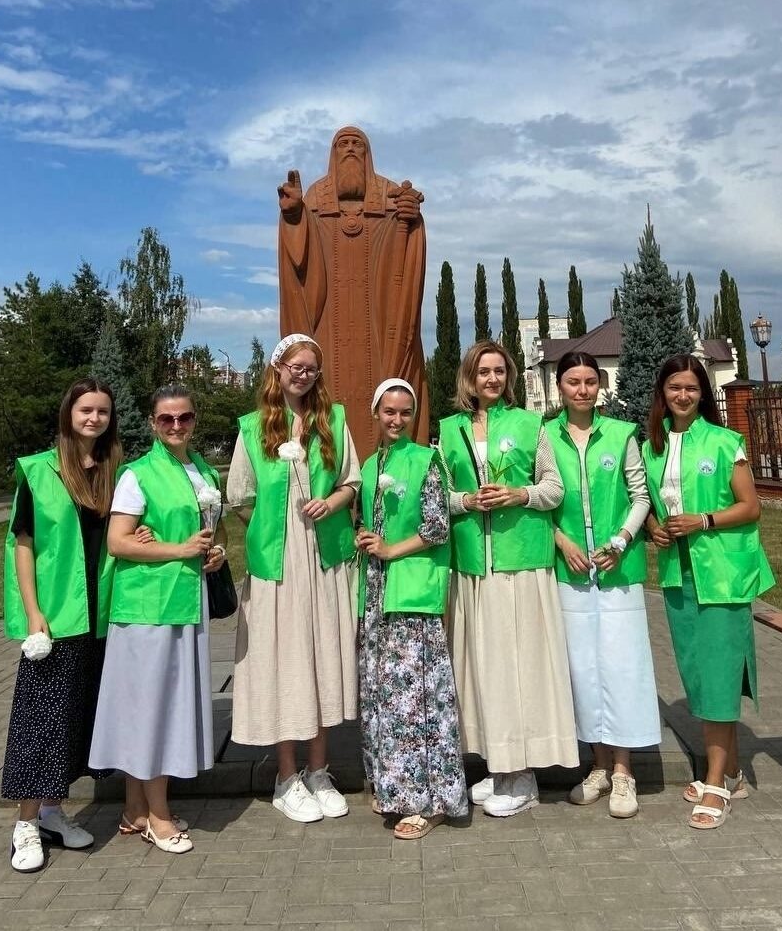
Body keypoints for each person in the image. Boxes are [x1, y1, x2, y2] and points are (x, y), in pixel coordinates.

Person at [438, 340, 579, 818]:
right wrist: (466, 501)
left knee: (520, 669)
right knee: (485, 669)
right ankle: (500, 765)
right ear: (469, 378)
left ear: (510, 376)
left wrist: (519, 494)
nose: (492, 379)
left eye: (499, 371)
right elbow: (439, 496)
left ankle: (522, 775)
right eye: (483, 372)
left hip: (521, 562)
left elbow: (554, 489)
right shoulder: (450, 429)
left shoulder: (529, 424)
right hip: (473, 566)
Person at [228, 334, 360, 823]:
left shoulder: (334, 419)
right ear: (277, 369)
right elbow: (240, 496)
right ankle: (286, 777)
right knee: (285, 661)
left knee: (320, 657)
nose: (302, 374)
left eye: (311, 368)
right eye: (295, 366)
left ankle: (319, 770)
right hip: (278, 564)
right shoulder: (252, 427)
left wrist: (331, 502)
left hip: (324, 556)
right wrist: (271, 528)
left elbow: (351, 481)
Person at [89, 384, 226, 854]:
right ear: (152, 423)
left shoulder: (203, 469)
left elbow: (205, 533)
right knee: (153, 710)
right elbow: (118, 542)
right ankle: (159, 816)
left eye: (184, 417)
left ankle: (134, 809)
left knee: (151, 707)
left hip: (184, 602)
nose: (175, 426)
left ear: (194, 420)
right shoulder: (138, 474)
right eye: (166, 418)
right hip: (148, 609)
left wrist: (214, 552)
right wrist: (179, 549)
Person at [642, 355, 775, 830]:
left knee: (718, 675)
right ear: (663, 393)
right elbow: (648, 504)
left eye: (692, 388)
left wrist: (703, 520)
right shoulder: (651, 447)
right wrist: (654, 528)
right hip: (679, 575)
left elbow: (750, 506)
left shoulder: (724, 441)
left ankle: (715, 781)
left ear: (703, 394)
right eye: (675, 387)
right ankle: (732, 771)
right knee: (699, 675)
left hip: (721, 575)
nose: (683, 395)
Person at [2, 379, 122, 873]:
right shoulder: (38, 471)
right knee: (39, 721)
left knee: (74, 721)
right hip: (57, 617)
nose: (94, 418)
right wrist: (34, 613)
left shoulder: (113, 471)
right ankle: (25, 824)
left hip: (101, 616)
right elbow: (23, 544)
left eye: (102, 411)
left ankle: (52, 813)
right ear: (69, 414)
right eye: (85, 409)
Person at [546, 353, 661, 819]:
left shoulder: (621, 433)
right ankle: (597, 765)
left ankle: (624, 770)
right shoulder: (544, 436)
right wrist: (562, 541)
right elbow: (540, 501)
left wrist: (622, 540)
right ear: (559, 386)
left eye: (590, 381)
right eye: (573, 381)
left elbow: (640, 495)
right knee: (583, 669)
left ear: (600, 386)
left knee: (622, 666)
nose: (582, 390)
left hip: (618, 570)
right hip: (570, 571)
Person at [356, 378, 467, 839]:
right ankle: (393, 789)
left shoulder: (426, 460)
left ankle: (430, 800)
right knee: (383, 697)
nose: (397, 420)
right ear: (376, 413)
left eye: (405, 412)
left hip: (411, 593)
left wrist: (389, 549)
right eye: (389, 411)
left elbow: (437, 527)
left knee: (417, 698)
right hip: (377, 595)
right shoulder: (370, 465)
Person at [277, 125, 430, 447]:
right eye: (342, 144)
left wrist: (412, 218)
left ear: (367, 154)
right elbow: (300, 265)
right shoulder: (315, 198)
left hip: (380, 330)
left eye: (356, 144)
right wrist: (293, 216)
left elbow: (406, 259)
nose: (349, 149)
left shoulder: (390, 196)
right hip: (328, 327)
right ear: (333, 155)